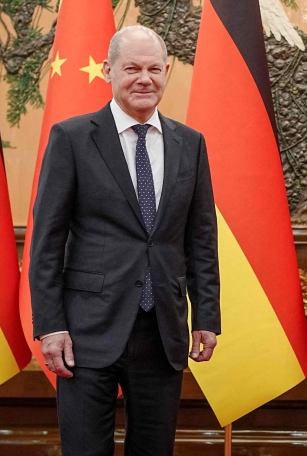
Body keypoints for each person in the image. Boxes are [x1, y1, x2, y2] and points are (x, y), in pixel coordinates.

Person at [29, 25, 220, 456]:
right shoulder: (72, 138)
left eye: (154, 69)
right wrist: (51, 326)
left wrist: (206, 315)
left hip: (163, 331)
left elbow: (201, 239)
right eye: (132, 68)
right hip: (86, 332)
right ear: (108, 71)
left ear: (166, 72)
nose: (144, 79)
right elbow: (46, 243)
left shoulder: (190, 144)